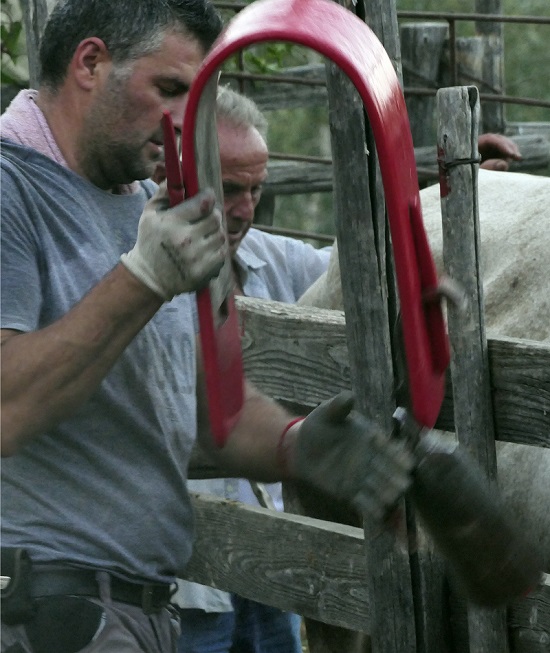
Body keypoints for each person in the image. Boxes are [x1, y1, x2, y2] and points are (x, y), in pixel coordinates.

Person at [0, 1, 414, 651]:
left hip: (140, 605)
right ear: (90, 62)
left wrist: (296, 442)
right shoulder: (9, 187)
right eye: (167, 90)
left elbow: (200, 406)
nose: (182, 122)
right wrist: (141, 278)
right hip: (48, 607)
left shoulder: (135, 199)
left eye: (195, 100)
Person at [164, 87, 331, 653]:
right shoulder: (137, 271)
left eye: (257, 189)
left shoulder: (274, 261)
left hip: (271, 563)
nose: (245, 208)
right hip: (185, 574)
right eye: (230, 188)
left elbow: (357, 264)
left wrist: (455, 186)